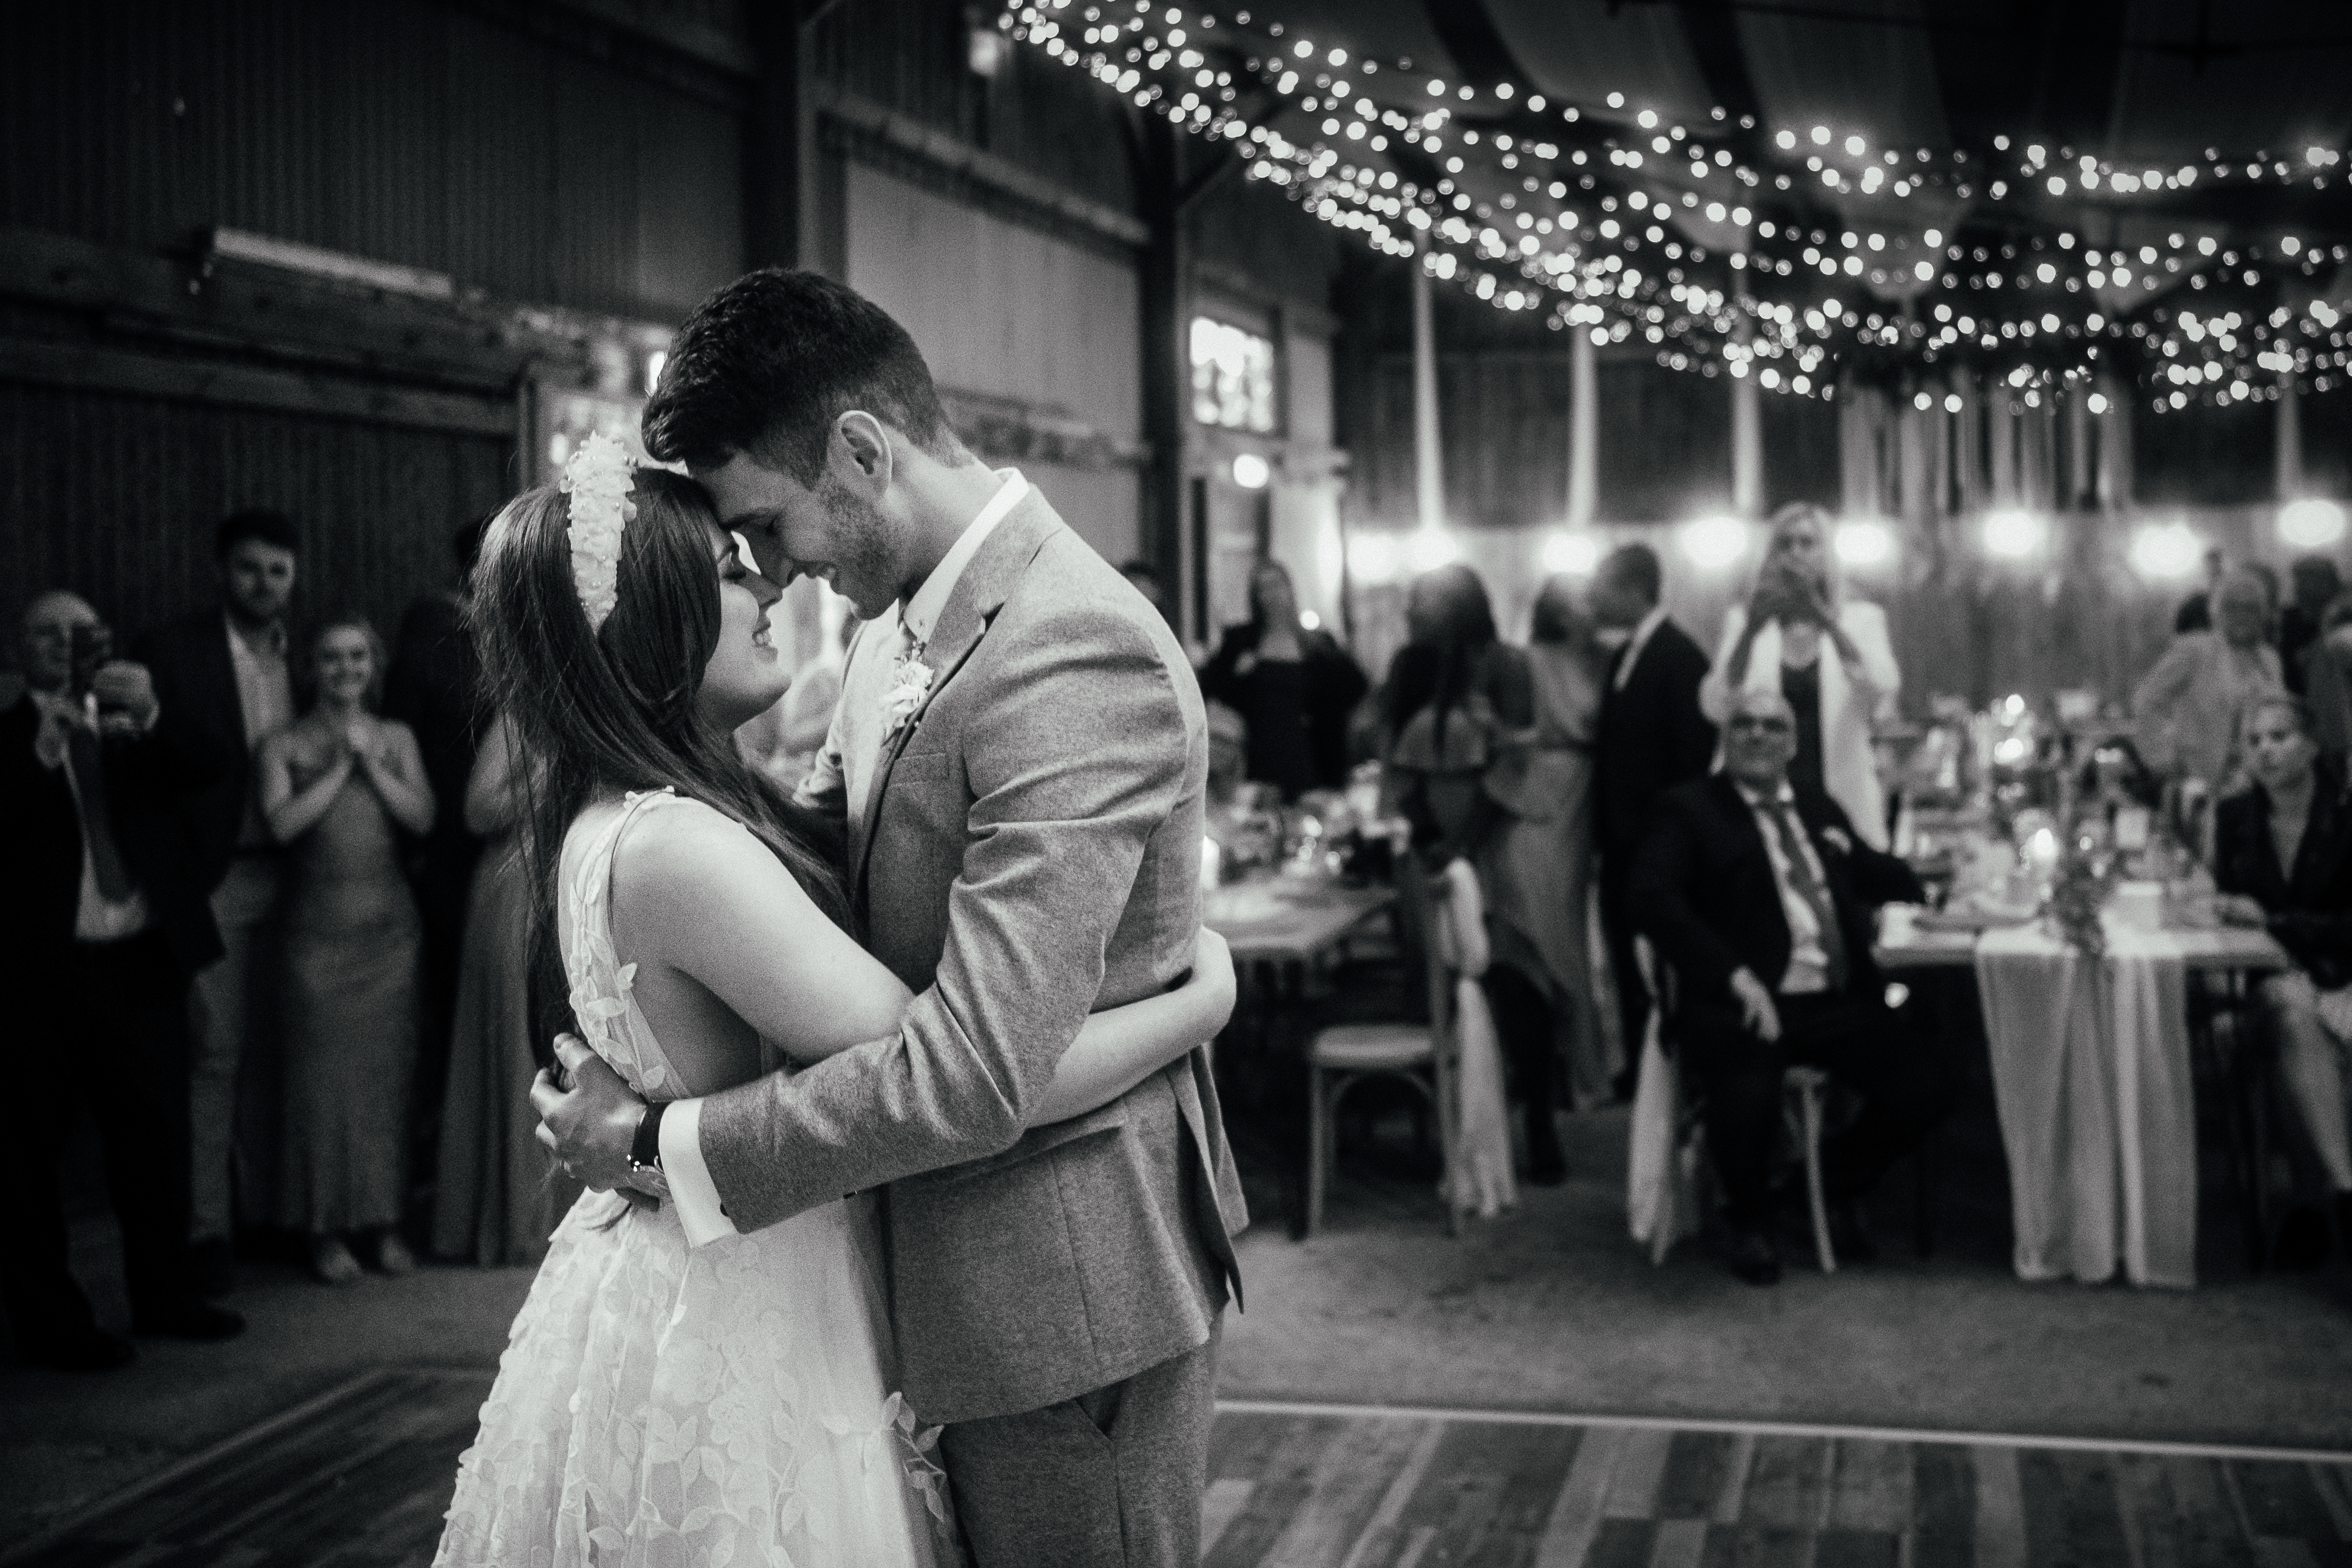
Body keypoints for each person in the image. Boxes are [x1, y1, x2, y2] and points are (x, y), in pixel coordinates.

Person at [491, 271, 1247, 1568]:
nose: (773, 569)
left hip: (1062, 1295)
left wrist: (665, 1145)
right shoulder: (895, 634)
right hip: (917, 1269)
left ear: (860, 452)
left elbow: (971, 1069)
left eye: (765, 525)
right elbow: (806, 877)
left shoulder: (1072, 645)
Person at [3, 592, 246, 1369]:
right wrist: (40, 753)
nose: (64, 643)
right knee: (28, 1154)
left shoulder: (128, 716)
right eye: (47, 631)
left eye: (79, 632)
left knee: (156, 1136)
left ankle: (166, 1292)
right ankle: (52, 1323)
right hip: (40, 977)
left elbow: (213, 765)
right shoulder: (10, 734)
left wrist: (151, 712)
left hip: (140, 962)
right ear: (20, 645)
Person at [1631, 686, 1942, 1286]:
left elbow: (1873, 872)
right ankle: (1749, 1219)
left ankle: (1809, 1189)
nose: (1757, 735)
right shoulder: (1688, 811)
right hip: (1745, 1000)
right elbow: (1650, 898)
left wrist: (1934, 883)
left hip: (1832, 999)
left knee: (1928, 1085)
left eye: (1773, 726)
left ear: (1793, 743)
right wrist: (1732, 974)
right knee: (1746, 1089)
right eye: (1744, 724)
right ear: (1725, 737)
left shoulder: (1817, 807)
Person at [134, 509, 300, 1294]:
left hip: (299, 877)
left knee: (275, 1056)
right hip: (216, 878)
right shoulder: (174, 651)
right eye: (249, 568)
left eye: (278, 570)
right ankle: (205, 1234)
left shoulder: (305, 651)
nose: (263, 584)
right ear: (221, 571)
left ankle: (265, 1214)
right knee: (215, 1056)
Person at [258, 617, 436, 1284]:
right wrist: (340, 766)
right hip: (314, 942)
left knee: (387, 1088)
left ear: (374, 664)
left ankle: (384, 1224)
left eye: (358, 656)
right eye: (331, 657)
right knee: (319, 1091)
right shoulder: (282, 743)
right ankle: (323, 1229)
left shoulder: (398, 738)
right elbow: (281, 826)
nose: (346, 668)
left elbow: (423, 818)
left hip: (390, 939)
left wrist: (373, 764)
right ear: (311, 668)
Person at [1377, 563, 1551, 1178]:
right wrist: (1427, 835)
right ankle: (1451, 1132)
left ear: (1458, 605)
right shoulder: (1409, 667)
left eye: (1423, 600)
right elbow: (1394, 761)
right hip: (1427, 841)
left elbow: (1519, 759)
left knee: (1517, 974)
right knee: (1433, 978)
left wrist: (1465, 843)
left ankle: (1540, 1123)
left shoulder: (1505, 663)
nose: (1412, 610)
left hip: (1497, 836)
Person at [430, 713, 578, 1265]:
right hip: (517, 890)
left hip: (571, 880)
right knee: (522, 1050)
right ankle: (521, 1219)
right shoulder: (521, 721)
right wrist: (551, 771)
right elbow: (478, 811)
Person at [2214, 694, 2352, 1265]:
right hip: (2265, 985)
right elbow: (2226, 909)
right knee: (2290, 1006)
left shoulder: (2345, 816)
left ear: (2312, 746)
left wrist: (2273, 921)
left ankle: (2315, 1202)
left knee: (2301, 1026)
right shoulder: (2234, 820)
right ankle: (2344, 1191)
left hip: (2342, 980)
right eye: (2254, 741)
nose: (2265, 751)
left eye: (2280, 736)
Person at [384, 516, 495, 1192]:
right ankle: (436, 1173)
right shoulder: (433, 632)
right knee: (446, 1015)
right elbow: (404, 735)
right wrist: (414, 853)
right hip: (445, 854)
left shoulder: (494, 631)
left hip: (483, 850)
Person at [1702, 503, 1901, 849]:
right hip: (1759, 798)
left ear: (1827, 555)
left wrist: (1828, 622)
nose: (1795, 553)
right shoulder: (1745, 622)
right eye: (1785, 544)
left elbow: (1880, 691)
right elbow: (1716, 707)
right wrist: (1750, 632)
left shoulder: (1862, 620)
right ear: (1772, 555)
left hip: (1841, 791)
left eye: (1807, 543)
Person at [1590, 542, 1716, 1087]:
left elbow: (1692, 759)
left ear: (1635, 590)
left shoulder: (1681, 657)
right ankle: (1644, 1069)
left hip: (1654, 841)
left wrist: (1669, 842)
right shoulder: (1624, 654)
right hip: (1621, 840)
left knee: (1659, 961)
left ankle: (1671, 1070)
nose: (1593, 600)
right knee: (1625, 957)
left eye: (1602, 588)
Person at [1488, 575, 1613, 1117]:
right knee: (1529, 929)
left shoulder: (1604, 660)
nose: (1590, 608)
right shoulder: (1525, 661)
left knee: (1570, 934)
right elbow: (1505, 729)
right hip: (1530, 792)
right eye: (1579, 601)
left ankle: (1580, 1066)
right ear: (1557, 612)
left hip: (1580, 796)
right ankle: (1536, 1070)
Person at [1198, 559, 1368, 799]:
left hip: (1307, 754)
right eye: (1263, 588)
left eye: (1276, 585)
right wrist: (1238, 674)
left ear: (1289, 589)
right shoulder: (1241, 641)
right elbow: (1211, 687)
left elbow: (1355, 686)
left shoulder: (1317, 644)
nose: (1271, 595)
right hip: (1258, 751)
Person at [2132, 566, 2284, 794]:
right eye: (2233, 607)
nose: (2242, 615)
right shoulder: (2196, 650)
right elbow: (2148, 700)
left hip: (2259, 781)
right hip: (2201, 779)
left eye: (2251, 608)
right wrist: (2162, 758)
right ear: (2217, 611)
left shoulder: (2269, 659)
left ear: (2264, 614)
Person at [2280, 556, 2343, 697]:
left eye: (2315, 581)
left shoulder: (2343, 620)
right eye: (2301, 582)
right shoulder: (2288, 621)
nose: (2306, 589)